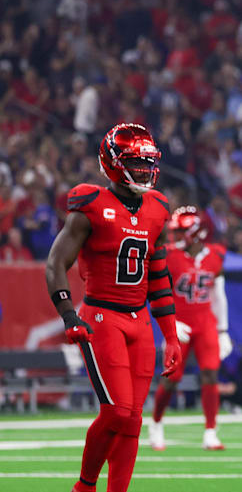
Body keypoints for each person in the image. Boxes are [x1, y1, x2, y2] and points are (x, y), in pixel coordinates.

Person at [45, 123, 181, 492]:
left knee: (133, 420)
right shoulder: (90, 203)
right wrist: (69, 315)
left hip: (140, 322)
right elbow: (56, 263)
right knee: (117, 412)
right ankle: (85, 486)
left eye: (148, 162)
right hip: (102, 318)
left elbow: (158, 275)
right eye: (136, 162)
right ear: (114, 163)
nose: (145, 170)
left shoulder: (158, 208)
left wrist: (170, 336)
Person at [149, 206, 233, 451]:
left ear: (195, 233)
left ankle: (210, 432)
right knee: (172, 378)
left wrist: (223, 331)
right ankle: (156, 423)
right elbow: (154, 291)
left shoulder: (215, 255)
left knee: (210, 374)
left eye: (179, 231)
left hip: (205, 321)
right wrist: (169, 323)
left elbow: (219, 296)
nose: (174, 236)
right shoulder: (168, 256)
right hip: (179, 321)